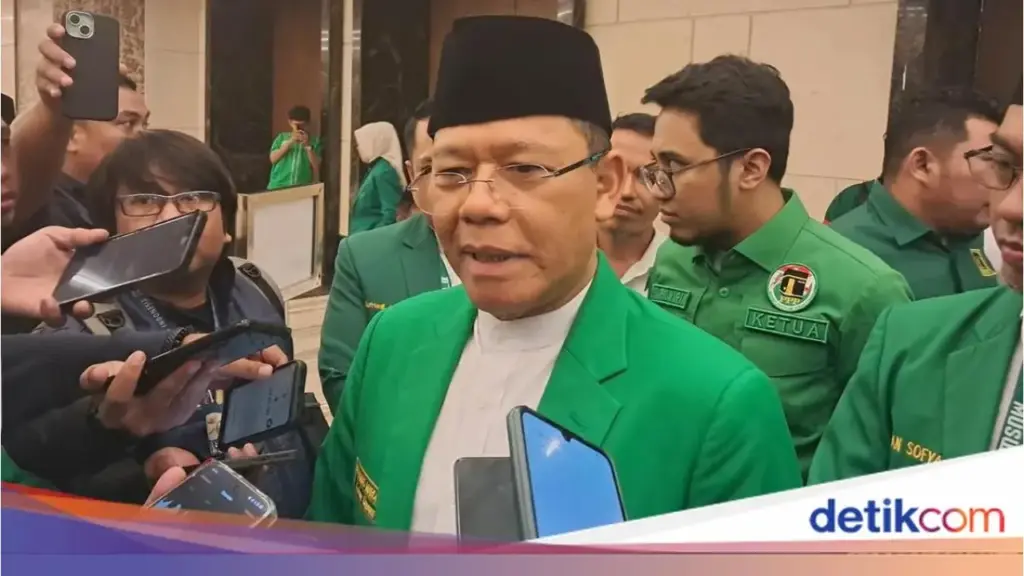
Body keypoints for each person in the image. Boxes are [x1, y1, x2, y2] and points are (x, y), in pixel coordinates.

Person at [308, 16, 800, 532]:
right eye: (452, 173)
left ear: (604, 183)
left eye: (525, 170)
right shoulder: (393, 341)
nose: (477, 205)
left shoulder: (715, 403)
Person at [642, 55, 911, 477]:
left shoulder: (865, 290)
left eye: (674, 167)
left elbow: (888, 452)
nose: (657, 189)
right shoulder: (672, 258)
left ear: (751, 169)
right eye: (655, 167)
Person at [28, 130, 299, 507]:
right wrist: (141, 476)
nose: (172, 217)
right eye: (144, 201)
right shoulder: (72, 333)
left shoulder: (257, 287)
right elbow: (41, 468)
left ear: (227, 225)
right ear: (109, 230)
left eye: (193, 197)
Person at [809, 80, 1023, 482]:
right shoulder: (842, 258)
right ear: (922, 165)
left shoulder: (978, 246)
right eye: (1003, 163)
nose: (1010, 206)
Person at [318, 99, 454, 413]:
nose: (447, 184)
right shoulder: (364, 257)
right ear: (411, 173)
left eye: (461, 168)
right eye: (430, 169)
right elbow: (341, 378)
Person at [829, 89, 1004, 299]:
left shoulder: (977, 240)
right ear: (922, 165)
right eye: (992, 162)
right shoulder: (840, 254)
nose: (1004, 182)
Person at [6, 24, 148, 250]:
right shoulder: (44, 212)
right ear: (71, 136)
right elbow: (24, 185)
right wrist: (52, 110)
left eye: (144, 123)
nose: (142, 135)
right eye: (126, 123)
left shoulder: (121, 196)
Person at [600, 113, 666, 295]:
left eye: (647, 177)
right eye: (614, 172)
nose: (627, 192)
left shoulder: (686, 271)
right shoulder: (557, 258)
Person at [348, 121, 407, 234]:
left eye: (362, 143)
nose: (358, 148)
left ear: (375, 143)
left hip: (370, 238)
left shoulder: (384, 171)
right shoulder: (377, 168)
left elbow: (390, 215)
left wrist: (373, 238)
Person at [267, 105, 322, 190]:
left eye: (302, 125)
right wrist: (290, 142)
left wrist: (307, 146)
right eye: (296, 125)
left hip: (302, 186)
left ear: (307, 124)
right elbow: (273, 159)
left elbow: (316, 165)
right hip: (279, 185)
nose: (300, 128)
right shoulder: (282, 138)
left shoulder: (314, 141)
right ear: (290, 122)